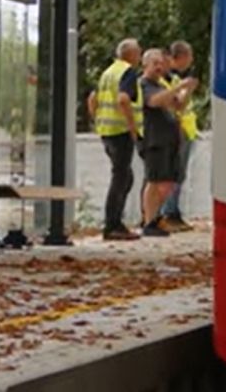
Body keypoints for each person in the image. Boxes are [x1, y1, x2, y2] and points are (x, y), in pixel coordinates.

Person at [86, 38, 143, 241]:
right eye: (139, 52)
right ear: (131, 55)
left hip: (107, 131)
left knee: (125, 177)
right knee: (121, 177)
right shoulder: (127, 72)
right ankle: (112, 226)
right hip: (120, 132)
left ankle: (115, 222)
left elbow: (93, 98)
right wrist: (132, 127)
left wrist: (97, 121)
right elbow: (123, 99)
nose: (140, 56)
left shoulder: (108, 72)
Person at [138, 49, 197, 237]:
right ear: (145, 65)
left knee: (169, 181)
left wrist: (188, 90)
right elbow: (154, 102)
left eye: (161, 63)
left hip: (170, 140)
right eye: (154, 63)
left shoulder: (161, 85)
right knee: (154, 180)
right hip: (154, 139)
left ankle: (155, 217)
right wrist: (177, 88)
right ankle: (149, 221)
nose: (159, 66)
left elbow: (178, 105)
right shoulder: (144, 85)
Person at [157, 40, 201, 232]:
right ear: (181, 56)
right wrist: (188, 90)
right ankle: (169, 213)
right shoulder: (167, 80)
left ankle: (170, 212)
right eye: (189, 56)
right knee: (173, 174)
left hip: (182, 131)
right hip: (175, 132)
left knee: (177, 174)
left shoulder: (173, 79)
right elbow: (178, 105)